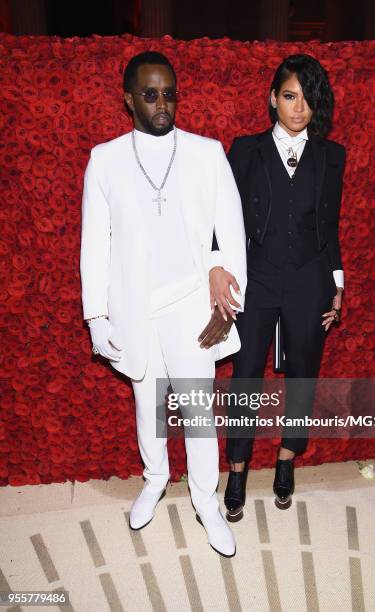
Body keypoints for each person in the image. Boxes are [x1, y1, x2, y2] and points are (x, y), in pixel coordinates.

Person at [80, 51, 247, 556]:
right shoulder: (105, 159)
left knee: (198, 412)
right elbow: (95, 243)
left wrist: (228, 307)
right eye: (150, 94)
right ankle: (155, 479)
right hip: (133, 307)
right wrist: (95, 316)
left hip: (192, 303)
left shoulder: (206, 152)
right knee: (146, 404)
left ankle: (206, 502)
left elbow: (232, 234)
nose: (162, 103)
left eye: (170, 93)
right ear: (128, 98)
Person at [210, 54, 346, 520]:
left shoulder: (332, 156)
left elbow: (329, 226)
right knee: (246, 375)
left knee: (303, 374)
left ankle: (287, 461)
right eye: (290, 96)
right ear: (273, 98)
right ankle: (238, 469)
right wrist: (219, 269)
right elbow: (223, 221)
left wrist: (337, 284)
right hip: (257, 276)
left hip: (310, 277)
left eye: (309, 100)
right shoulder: (245, 151)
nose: (299, 108)